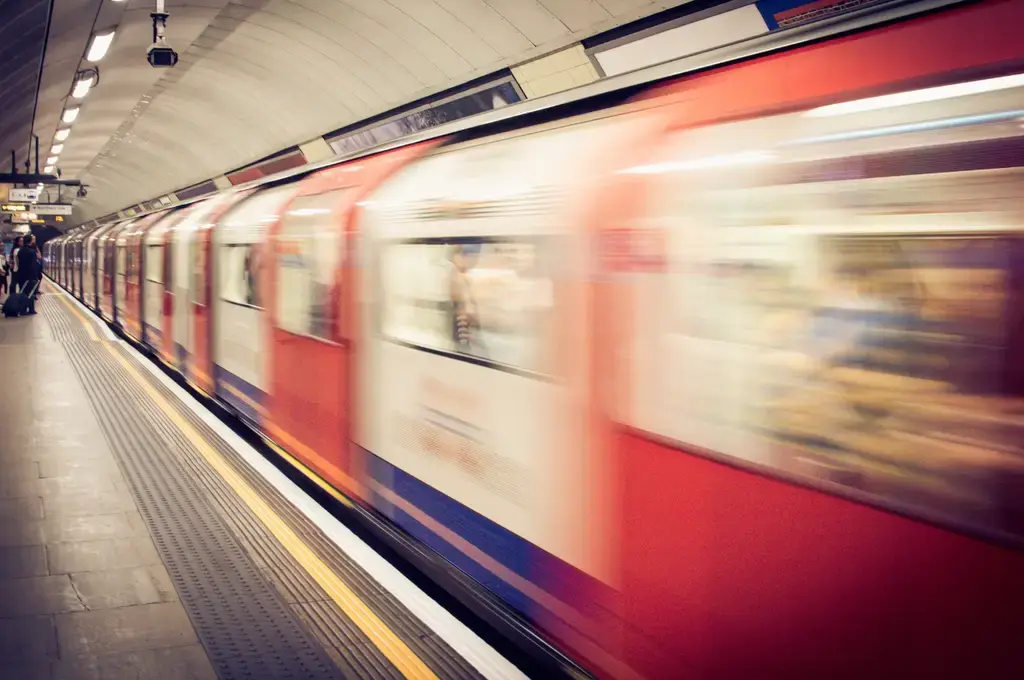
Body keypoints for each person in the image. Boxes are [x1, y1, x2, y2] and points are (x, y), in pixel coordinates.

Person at [17, 236, 39, 314]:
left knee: (23, 292)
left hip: (21, 275)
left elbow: (19, 263)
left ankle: (22, 310)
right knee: (30, 293)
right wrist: (35, 276)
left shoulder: (20, 251)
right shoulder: (32, 252)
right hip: (30, 276)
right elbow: (33, 265)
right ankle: (31, 310)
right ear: (30, 242)